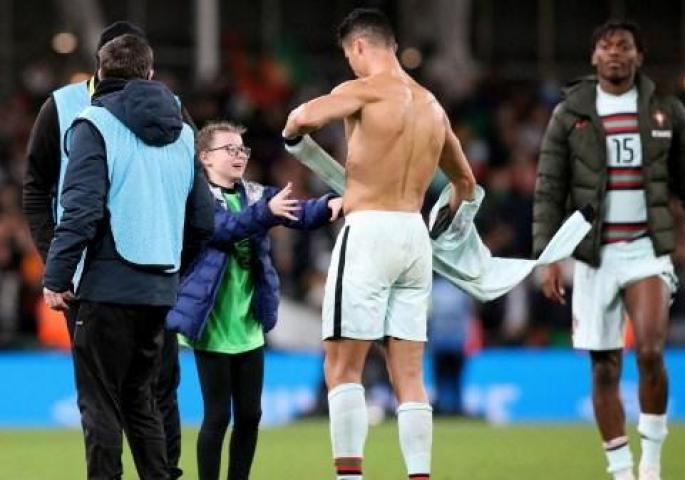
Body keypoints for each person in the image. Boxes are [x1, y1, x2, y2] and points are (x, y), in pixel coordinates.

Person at [282, 8, 476, 480]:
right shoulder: (432, 105)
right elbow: (465, 184)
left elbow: (301, 118)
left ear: (359, 47)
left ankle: (350, 478)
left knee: (342, 367)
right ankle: (420, 475)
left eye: (350, 55)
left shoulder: (363, 90)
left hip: (368, 228)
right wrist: (440, 223)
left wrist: (294, 140)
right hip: (414, 236)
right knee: (409, 375)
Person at [533, 20, 685, 480]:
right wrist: (547, 258)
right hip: (592, 255)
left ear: (639, 57)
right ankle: (621, 471)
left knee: (649, 351)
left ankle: (653, 464)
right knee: (604, 366)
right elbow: (548, 189)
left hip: (647, 249)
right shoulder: (570, 114)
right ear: (594, 58)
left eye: (625, 47)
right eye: (607, 46)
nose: (615, 53)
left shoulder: (666, 112)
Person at [23, 21, 192, 479]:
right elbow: (201, 214)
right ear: (150, 71)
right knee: (143, 397)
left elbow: (78, 207)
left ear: (100, 68)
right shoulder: (178, 120)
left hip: (100, 280)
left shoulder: (90, 119)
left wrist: (58, 273)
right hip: (155, 281)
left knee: (105, 401)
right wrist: (177, 267)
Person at [166, 121, 342, 480]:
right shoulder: (195, 199)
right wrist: (266, 211)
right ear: (205, 158)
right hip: (212, 322)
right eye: (229, 149)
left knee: (250, 416)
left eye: (241, 149)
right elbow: (224, 229)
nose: (238, 155)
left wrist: (331, 205)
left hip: (248, 322)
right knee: (217, 416)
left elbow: (298, 212)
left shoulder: (255, 193)